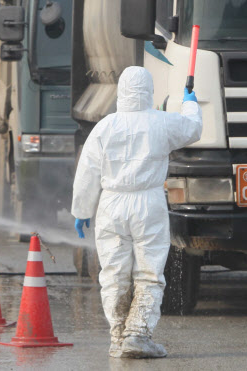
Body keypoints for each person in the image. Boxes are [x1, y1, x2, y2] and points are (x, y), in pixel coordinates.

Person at [71, 66, 202, 358]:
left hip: (111, 206)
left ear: (121, 91)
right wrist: (190, 102)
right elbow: (193, 129)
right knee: (149, 273)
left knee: (114, 273)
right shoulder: (162, 123)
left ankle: (118, 337)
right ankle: (138, 335)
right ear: (149, 91)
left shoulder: (105, 127)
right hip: (148, 205)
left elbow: (87, 171)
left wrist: (81, 210)